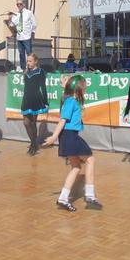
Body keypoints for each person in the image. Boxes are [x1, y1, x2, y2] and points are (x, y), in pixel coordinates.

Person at [43, 75, 102, 212]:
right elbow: (62, 120)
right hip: (69, 136)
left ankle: (63, 198)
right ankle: (90, 195)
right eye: (84, 88)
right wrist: (53, 136)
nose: (85, 91)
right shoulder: (70, 102)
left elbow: (67, 97)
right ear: (78, 90)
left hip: (68, 135)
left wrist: (65, 86)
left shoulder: (71, 99)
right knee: (90, 159)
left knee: (76, 167)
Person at [20, 53, 48, 156]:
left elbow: (43, 87)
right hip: (26, 99)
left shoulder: (41, 72)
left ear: (35, 61)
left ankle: (33, 146)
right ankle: (34, 143)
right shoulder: (26, 72)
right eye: (27, 61)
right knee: (26, 123)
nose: (28, 63)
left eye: (30, 61)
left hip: (36, 99)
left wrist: (45, 101)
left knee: (32, 122)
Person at [4, 0, 37, 71]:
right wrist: (10, 19)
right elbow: (11, 25)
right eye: (17, 4)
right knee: (21, 54)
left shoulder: (29, 13)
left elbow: (34, 23)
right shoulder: (16, 15)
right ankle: (23, 68)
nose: (19, 5)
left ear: (24, 5)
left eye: (20, 4)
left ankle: (31, 68)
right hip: (19, 37)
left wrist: (32, 32)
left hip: (27, 36)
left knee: (29, 53)